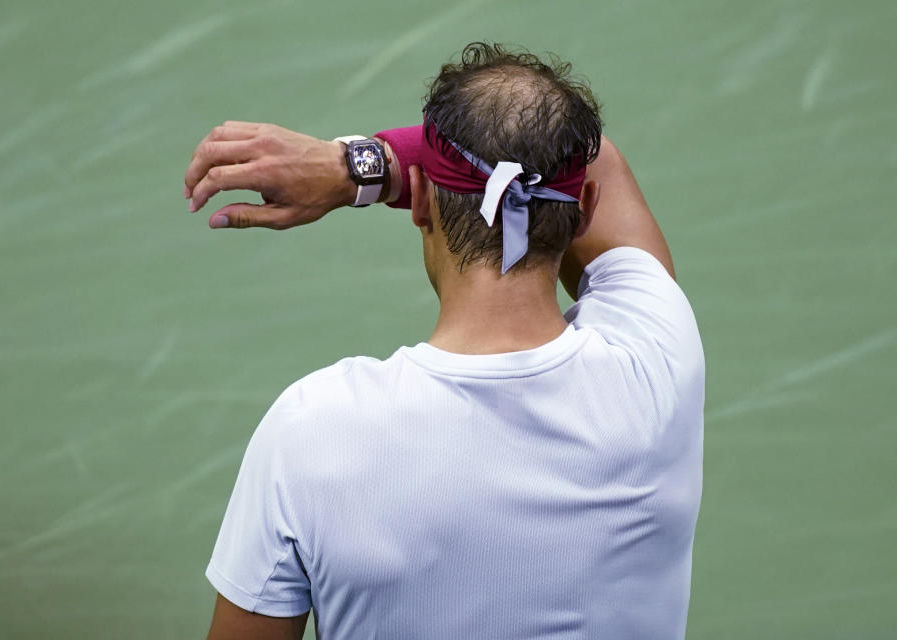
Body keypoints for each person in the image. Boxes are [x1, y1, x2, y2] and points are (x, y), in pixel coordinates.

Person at [183, 43, 704, 640]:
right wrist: (361, 166)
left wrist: (360, 167)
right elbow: (600, 160)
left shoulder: (311, 430)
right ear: (583, 206)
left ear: (422, 199)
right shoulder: (658, 357)